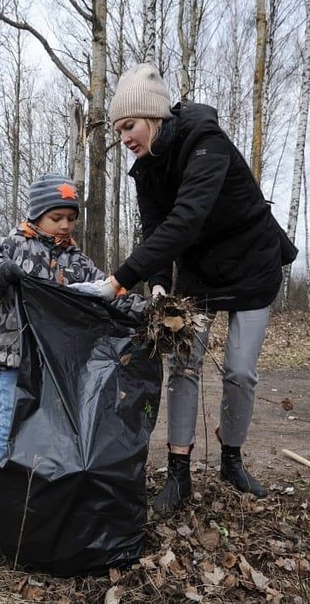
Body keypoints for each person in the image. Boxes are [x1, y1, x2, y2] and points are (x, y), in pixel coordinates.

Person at [102, 63, 295, 511]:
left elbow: (187, 218)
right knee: (184, 367)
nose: (125, 138)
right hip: (198, 272)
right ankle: (179, 473)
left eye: (129, 126)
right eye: (118, 131)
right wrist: (152, 283)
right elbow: (155, 231)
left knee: (240, 372)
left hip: (251, 262)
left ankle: (232, 458)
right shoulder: (144, 170)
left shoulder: (204, 139)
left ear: (153, 115)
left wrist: (120, 279)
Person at [0, 173, 112, 474]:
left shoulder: (76, 259)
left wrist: (131, 300)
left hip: (58, 361)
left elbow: (105, 288)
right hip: (15, 358)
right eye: (56, 217)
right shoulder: (13, 245)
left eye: (71, 218)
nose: (64, 225)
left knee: (51, 426)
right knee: (11, 423)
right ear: (37, 214)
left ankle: (39, 484)